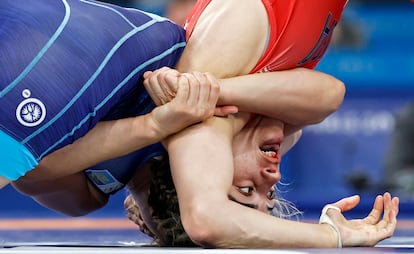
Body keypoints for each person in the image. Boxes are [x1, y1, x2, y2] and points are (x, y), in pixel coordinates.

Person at [5, 0, 399, 249]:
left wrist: (332, 237)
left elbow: (207, 221)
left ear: (200, 171)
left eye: (248, 189)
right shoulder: (227, 105)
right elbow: (328, 94)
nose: (272, 177)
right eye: (272, 195)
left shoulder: (203, 122)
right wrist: (182, 107)